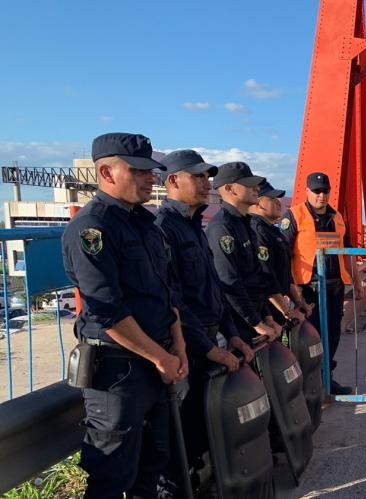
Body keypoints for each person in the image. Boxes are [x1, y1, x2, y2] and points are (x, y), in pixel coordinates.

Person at [62, 132, 188, 497]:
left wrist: (177, 346)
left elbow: (166, 293)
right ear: (106, 173)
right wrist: (162, 357)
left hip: (157, 363)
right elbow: (108, 311)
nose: (151, 177)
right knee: (112, 475)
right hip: (119, 372)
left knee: (153, 466)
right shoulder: (92, 228)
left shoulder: (146, 225)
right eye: (138, 170)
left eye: (151, 170)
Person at [154, 149, 254, 488]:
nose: (206, 182)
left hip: (209, 340)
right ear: (172, 181)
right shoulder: (164, 229)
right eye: (197, 176)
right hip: (187, 348)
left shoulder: (195, 226)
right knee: (181, 433)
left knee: (201, 425)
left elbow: (213, 288)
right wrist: (209, 349)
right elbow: (174, 301)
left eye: (207, 176)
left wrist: (232, 334)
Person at [280, 172, 363, 395]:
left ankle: (327, 380)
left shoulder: (337, 217)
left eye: (325, 191)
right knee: (309, 337)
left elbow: (348, 252)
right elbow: (282, 255)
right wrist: (290, 288)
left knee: (332, 335)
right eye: (316, 191)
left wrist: (357, 281)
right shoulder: (294, 215)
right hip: (308, 289)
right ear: (307, 191)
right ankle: (309, 384)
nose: (321, 195)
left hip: (335, 287)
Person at [206, 162, 301, 345]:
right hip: (237, 323)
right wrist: (256, 322)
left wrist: (266, 317)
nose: (256, 188)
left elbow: (258, 277)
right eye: (249, 184)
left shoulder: (245, 224)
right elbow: (229, 281)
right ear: (229, 189)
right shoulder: (222, 227)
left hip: (256, 318)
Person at [249, 180, 311, 322]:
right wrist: (287, 311)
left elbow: (284, 273)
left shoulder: (273, 231)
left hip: (280, 308)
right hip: (266, 311)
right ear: (257, 202)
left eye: (278, 199)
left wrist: (299, 302)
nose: (278, 202)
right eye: (272, 198)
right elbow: (266, 278)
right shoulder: (257, 230)